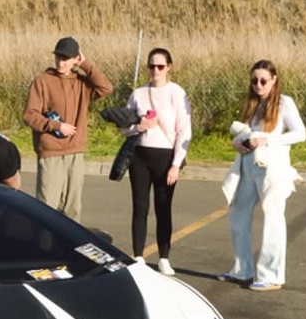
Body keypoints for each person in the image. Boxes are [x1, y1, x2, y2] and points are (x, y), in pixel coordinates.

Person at [218, 59, 306, 292]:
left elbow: (300, 134)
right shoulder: (254, 104)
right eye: (255, 80)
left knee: (273, 217)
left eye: (263, 80)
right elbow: (250, 134)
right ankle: (242, 270)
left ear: (274, 80)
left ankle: (272, 275)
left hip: (272, 169)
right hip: (248, 166)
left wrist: (266, 139)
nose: (258, 85)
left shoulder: (285, 102)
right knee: (238, 214)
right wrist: (240, 143)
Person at [22, 36, 113, 221]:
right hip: (51, 153)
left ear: (75, 59)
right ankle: (44, 248)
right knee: (47, 208)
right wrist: (55, 126)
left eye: (66, 58)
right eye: (58, 57)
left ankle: (70, 249)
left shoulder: (81, 83)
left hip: (75, 152)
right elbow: (29, 115)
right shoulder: (42, 81)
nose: (61, 62)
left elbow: (106, 88)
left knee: (72, 209)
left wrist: (86, 65)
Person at [126, 47, 192, 276]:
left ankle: (164, 257)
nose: (156, 70)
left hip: (165, 157)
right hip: (140, 155)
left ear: (169, 67)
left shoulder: (177, 93)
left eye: (161, 66)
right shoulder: (138, 93)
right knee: (140, 207)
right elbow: (126, 125)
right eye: (152, 66)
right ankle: (138, 256)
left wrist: (176, 164)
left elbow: (184, 130)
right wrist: (138, 126)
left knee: (163, 208)